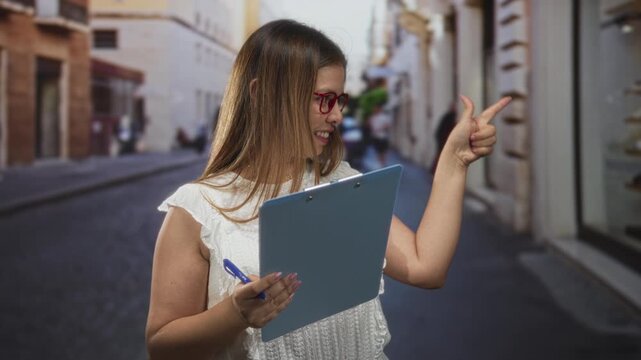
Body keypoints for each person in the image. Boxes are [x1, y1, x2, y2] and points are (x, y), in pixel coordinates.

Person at [145, 19, 511, 359]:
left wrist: (454, 162)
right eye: (324, 98)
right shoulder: (199, 207)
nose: (336, 116)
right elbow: (161, 345)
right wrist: (235, 313)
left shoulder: (344, 184)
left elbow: (425, 268)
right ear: (262, 94)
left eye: (340, 100)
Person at [369, 103, 393, 167]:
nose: (374, 110)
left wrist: (379, 129)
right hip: (375, 137)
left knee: (383, 152)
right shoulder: (373, 117)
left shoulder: (384, 117)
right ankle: (380, 164)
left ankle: (383, 164)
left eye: (376, 108)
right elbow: (371, 125)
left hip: (382, 136)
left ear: (379, 109)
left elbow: (387, 125)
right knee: (378, 151)